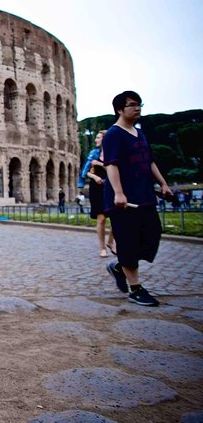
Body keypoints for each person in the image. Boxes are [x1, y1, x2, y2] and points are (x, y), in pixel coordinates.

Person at [103, 90, 173, 307]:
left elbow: (149, 161)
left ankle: (119, 267)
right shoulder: (113, 135)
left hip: (144, 194)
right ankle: (135, 288)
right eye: (132, 105)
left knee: (153, 234)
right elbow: (111, 164)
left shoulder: (139, 133)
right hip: (124, 199)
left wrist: (163, 183)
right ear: (119, 109)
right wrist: (118, 192)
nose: (138, 108)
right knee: (128, 241)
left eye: (139, 104)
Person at [80, 130, 116, 258]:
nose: (95, 140)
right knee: (101, 219)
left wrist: (100, 163)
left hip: (112, 186)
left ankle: (111, 241)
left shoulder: (114, 153)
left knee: (116, 218)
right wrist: (94, 177)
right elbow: (86, 172)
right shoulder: (93, 153)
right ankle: (102, 248)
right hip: (97, 187)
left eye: (98, 138)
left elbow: (115, 169)